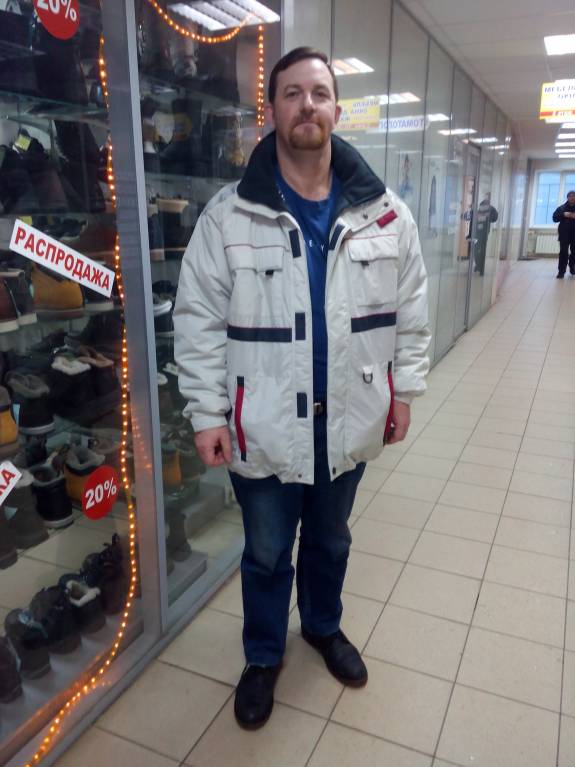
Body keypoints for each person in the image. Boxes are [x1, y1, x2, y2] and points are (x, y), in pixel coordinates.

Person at [174, 47, 430, 730]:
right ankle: (263, 655)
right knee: (264, 551)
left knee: (331, 540)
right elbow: (196, 319)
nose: (306, 105)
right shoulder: (229, 216)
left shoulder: (385, 215)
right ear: (272, 111)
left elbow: (411, 311)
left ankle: (321, 625)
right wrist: (206, 413)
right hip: (261, 419)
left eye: (318, 92)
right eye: (292, 93)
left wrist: (403, 392)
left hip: (348, 415)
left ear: (337, 109)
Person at [472, 193, 498, 276]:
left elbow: (495, 217)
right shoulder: (482, 207)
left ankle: (479, 267)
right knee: (478, 250)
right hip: (480, 232)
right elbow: (474, 217)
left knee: (479, 250)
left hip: (482, 232)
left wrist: (488, 218)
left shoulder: (490, 208)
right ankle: (479, 266)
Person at [552, 190, 575, 279]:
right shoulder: (561, 208)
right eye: (570, 196)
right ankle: (561, 271)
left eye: (573, 196)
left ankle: (572, 267)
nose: (572, 198)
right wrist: (563, 214)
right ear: (567, 197)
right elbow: (554, 218)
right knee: (563, 253)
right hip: (564, 234)